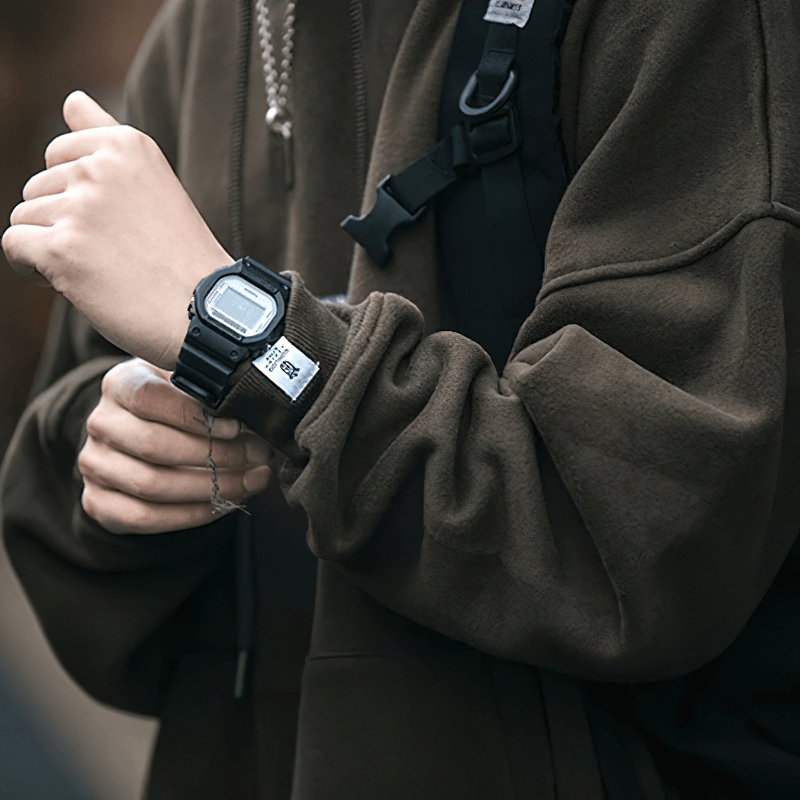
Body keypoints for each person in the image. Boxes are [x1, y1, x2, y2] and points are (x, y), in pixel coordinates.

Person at [2, 0, 800, 798]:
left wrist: (252, 337)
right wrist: (114, 458)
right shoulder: (207, 26)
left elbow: (643, 540)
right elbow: (92, 602)